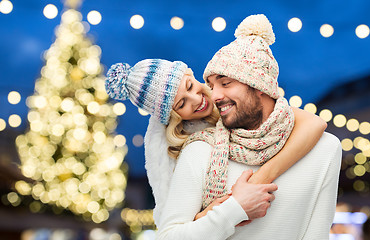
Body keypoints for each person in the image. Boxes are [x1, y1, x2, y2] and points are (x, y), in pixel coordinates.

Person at [156, 14, 342, 239]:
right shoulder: (201, 150)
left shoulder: (325, 149)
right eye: (212, 86)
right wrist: (234, 209)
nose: (214, 96)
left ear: (259, 85)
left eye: (225, 83)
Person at [105, 58, 326, 224]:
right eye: (181, 104)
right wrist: (214, 212)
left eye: (190, 86)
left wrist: (259, 180)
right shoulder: (189, 148)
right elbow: (180, 224)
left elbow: (315, 124)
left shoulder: (235, 104)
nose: (197, 100)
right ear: (173, 117)